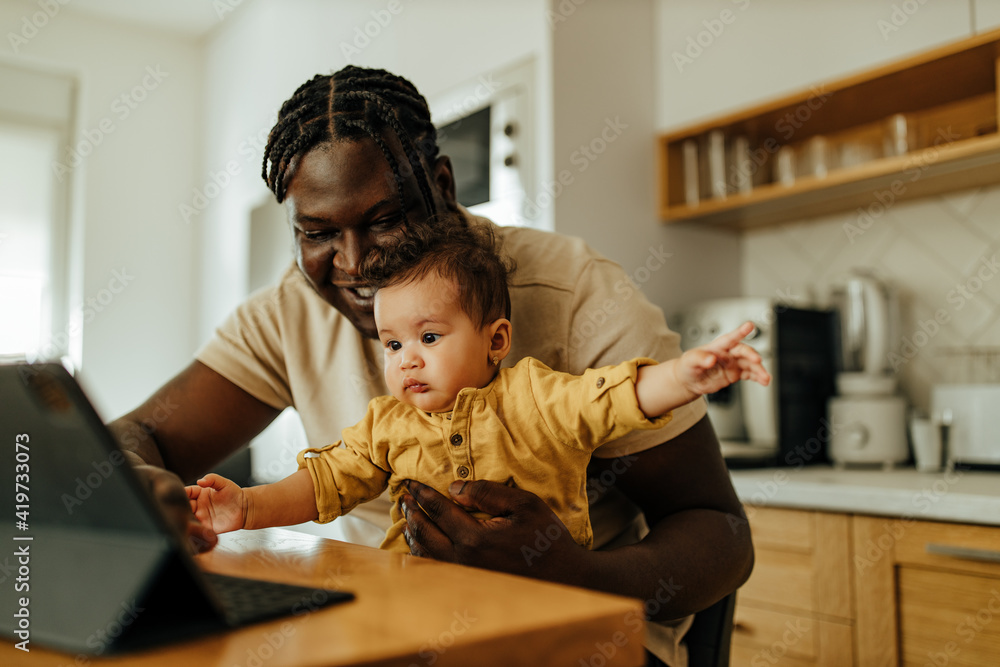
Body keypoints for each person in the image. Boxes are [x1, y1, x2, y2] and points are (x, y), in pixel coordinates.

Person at [109, 65, 755, 666]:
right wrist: (149, 483)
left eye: (383, 219)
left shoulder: (577, 297)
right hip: (395, 622)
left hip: (576, 628)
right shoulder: (291, 310)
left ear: (442, 186)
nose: (355, 263)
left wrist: (569, 570)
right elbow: (156, 437)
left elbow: (719, 532)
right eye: (318, 232)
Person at [183, 223, 770, 554]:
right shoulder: (386, 425)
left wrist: (686, 376)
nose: (407, 359)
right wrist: (248, 506)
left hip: (542, 611)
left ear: (495, 341)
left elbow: (612, 397)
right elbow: (323, 483)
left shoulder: (536, 397)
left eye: (430, 337)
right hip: (416, 609)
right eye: (392, 345)